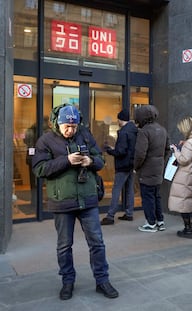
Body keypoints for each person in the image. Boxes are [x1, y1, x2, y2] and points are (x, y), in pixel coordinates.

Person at [31, 104, 118, 300]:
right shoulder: (46, 140)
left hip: (87, 199)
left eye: (74, 126)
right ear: (57, 124)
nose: (71, 130)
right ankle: (67, 282)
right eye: (67, 127)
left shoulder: (85, 135)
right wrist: (67, 161)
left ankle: (102, 281)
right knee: (64, 245)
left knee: (97, 243)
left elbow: (100, 160)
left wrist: (91, 162)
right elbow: (39, 169)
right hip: (62, 202)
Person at [134, 105, 170, 233]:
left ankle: (150, 223)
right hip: (158, 170)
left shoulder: (144, 131)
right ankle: (160, 221)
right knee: (156, 196)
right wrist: (160, 161)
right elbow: (167, 149)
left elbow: (140, 154)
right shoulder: (162, 130)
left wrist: (136, 167)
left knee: (148, 197)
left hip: (146, 170)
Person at [101, 108, 138, 225]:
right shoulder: (135, 131)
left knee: (116, 189)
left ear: (121, 119)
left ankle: (110, 216)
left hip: (122, 165)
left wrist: (110, 151)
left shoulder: (123, 132)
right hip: (131, 164)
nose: (117, 121)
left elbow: (121, 152)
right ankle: (129, 213)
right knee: (129, 190)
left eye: (118, 119)